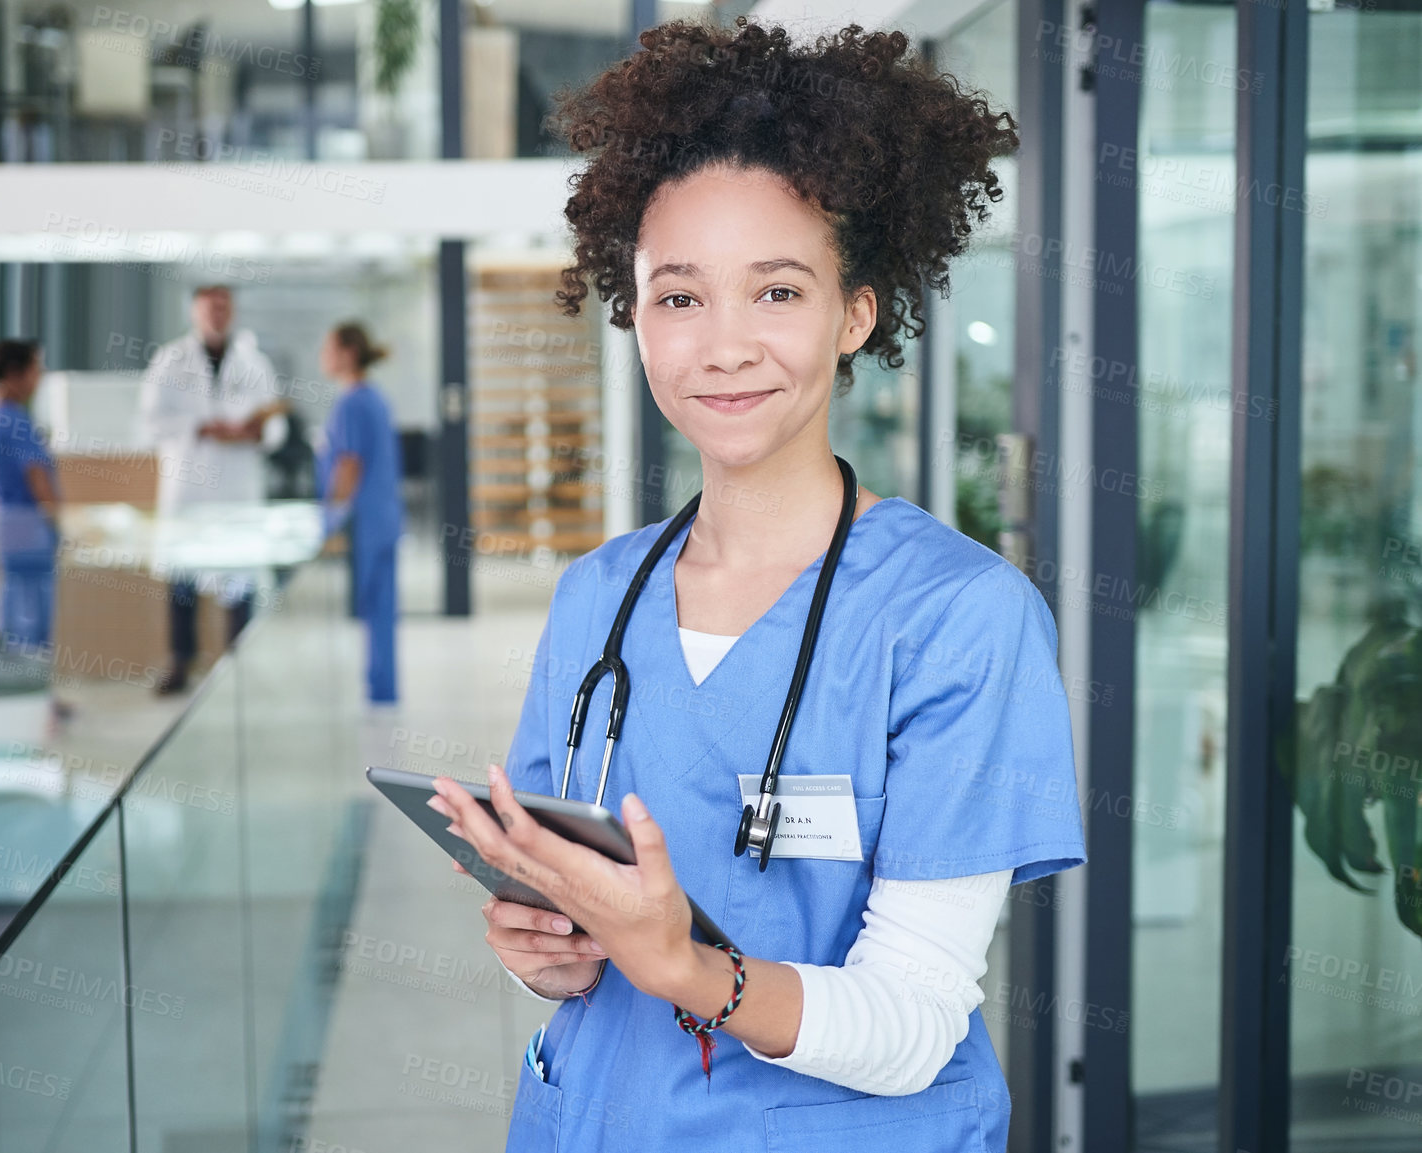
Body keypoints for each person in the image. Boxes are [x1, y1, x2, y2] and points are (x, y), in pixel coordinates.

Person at [425, 20, 1086, 1152]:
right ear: (634, 314)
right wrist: (553, 954)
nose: (723, 345)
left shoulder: (959, 618)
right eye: (679, 297)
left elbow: (918, 1021)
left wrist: (681, 962)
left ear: (856, 316)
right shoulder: (598, 598)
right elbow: (572, 918)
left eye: (776, 292)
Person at [136, 284, 283, 694]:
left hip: (236, 486)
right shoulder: (169, 361)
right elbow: (150, 423)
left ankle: (240, 666)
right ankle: (181, 663)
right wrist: (200, 427)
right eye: (209, 308)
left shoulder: (254, 363)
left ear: (232, 310)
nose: (217, 314)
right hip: (190, 488)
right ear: (195, 312)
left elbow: (276, 426)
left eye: (223, 307)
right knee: (183, 579)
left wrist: (254, 431)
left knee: (240, 580)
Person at [0, 339, 71, 719]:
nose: (40, 377)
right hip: (27, 525)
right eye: (35, 368)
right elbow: (36, 476)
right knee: (30, 616)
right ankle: (28, 699)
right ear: (17, 373)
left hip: (11, 525)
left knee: (15, 611)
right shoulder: (11, 416)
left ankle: (29, 696)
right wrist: (59, 520)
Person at [316, 321, 404, 705]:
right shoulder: (374, 398)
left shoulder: (352, 402)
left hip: (366, 520)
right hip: (383, 516)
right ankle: (382, 689)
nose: (323, 357)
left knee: (374, 608)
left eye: (329, 348)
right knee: (382, 611)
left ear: (347, 354)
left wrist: (328, 517)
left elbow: (349, 466)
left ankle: (379, 690)